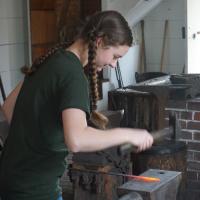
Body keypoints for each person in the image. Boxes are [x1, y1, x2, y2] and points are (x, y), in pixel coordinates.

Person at [0, 10, 153, 200]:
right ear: (99, 41)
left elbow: (8, 107)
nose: (114, 65)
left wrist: (38, 137)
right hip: (35, 190)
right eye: (115, 56)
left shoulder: (52, 59)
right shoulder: (73, 74)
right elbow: (77, 139)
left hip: (10, 180)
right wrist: (128, 134)